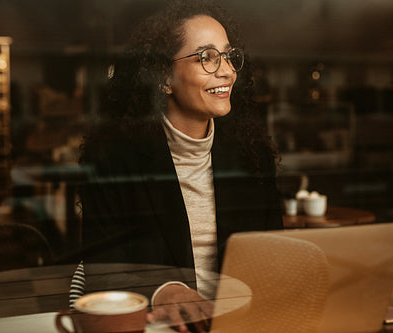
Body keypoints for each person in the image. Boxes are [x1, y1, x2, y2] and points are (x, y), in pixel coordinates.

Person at [78, 0, 283, 331]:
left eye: (229, 56)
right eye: (207, 57)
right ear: (163, 77)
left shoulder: (251, 156)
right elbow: (102, 270)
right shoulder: (113, 159)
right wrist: (164, 291)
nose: (228, 71)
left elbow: (273, 256)